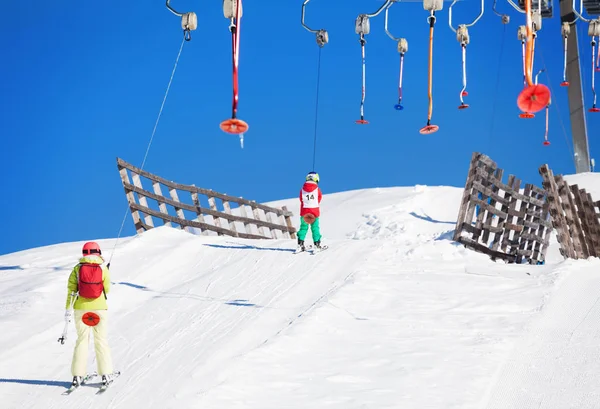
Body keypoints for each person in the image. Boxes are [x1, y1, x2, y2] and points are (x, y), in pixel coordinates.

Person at [64, 241, 114, 387]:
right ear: (98, 252)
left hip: (80, 309)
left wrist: (68, 308)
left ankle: (77, 376)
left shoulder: (77, 269)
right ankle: (105, 374)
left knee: (82, 340)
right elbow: (107, 290)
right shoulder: (103, 269)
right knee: (101, 340)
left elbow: (71, 290)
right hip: (99, 309)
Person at [297, 171, 323, 251]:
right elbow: (319, 198)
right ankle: (317, 244)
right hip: (314, 212)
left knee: (303, 228)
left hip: (304, 212)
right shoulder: (317, 189)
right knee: (315, 228)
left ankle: (300, 244)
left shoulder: (302, 190)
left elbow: (301, 199)